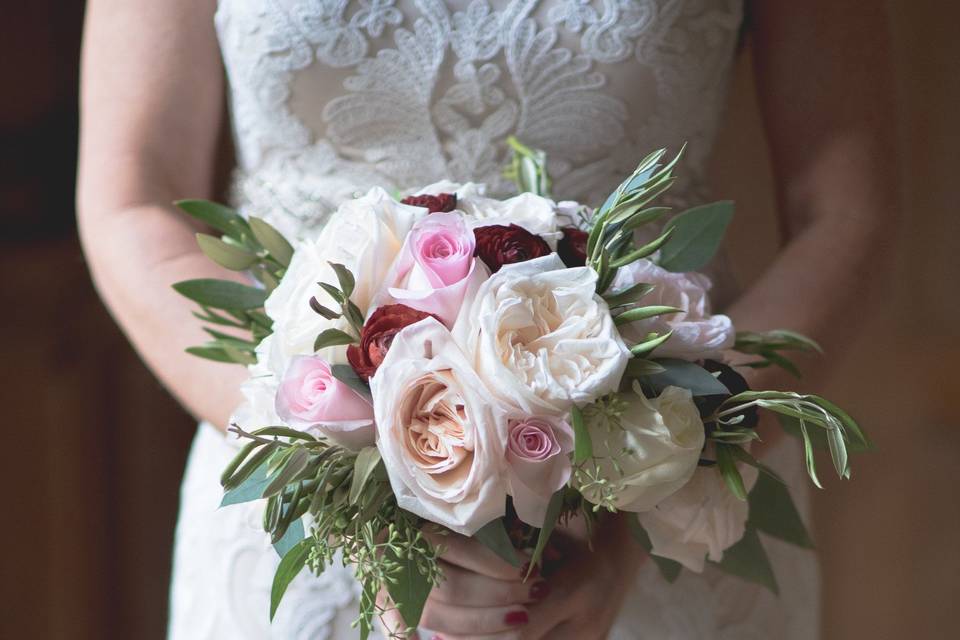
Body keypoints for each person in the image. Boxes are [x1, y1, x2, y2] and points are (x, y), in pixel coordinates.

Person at [77, 1, 898, 638]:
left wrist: (644, 493)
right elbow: (131, 200)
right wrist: (338, 464)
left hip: (661, 495)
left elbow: (845, 212)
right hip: (305, 505)